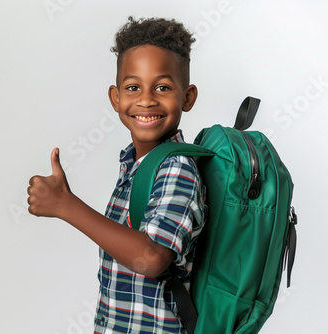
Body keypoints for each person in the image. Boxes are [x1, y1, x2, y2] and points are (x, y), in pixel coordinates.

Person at [28, 16, 206, 334]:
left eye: (163, 87)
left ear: (188, 97)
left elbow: (150, 259)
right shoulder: (135, 165)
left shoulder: (177, 168)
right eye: (133, 87)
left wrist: (66, 205)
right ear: (116, 98)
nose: (147, 99)